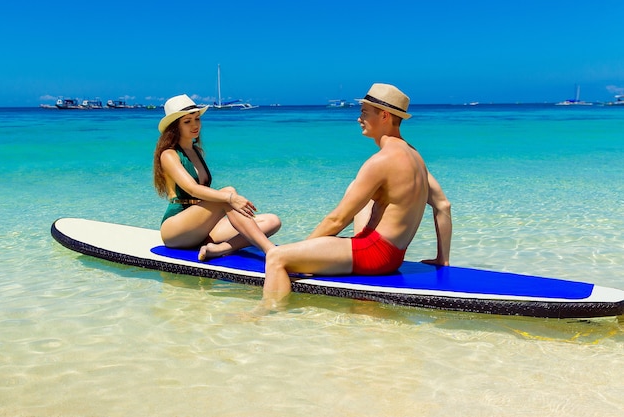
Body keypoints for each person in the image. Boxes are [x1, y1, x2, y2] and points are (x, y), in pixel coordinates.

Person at [261, 83, 452, 309]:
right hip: (395, 256)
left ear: (384, 115)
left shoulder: (380, 162)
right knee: (357, 187)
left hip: (374, 256)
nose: (358, 118)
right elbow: (443, 205)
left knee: (276, 257)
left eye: (364, 112)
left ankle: (264, 315)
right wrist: (443, 260)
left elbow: (337, 220)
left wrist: (303, 252)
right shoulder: (415, 156)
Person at [153, 94, 280, 259]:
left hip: (200, 227)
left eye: (197, 119)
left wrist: (228, 199)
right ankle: (271, 251)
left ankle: (219, 249)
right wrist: (230, 197)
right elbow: (192, 188)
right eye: (187, 121)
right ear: (174, 126)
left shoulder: (196, 151)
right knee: (227, 194)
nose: (195, 125)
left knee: (272, 221)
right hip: (177, 229)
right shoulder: (169, 154)